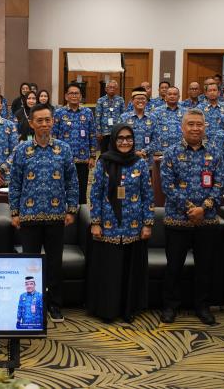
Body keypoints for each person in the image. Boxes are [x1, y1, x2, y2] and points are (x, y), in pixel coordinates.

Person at [9, 103, 79, 323]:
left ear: (53, 121)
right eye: (39, 120)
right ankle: (32, 306)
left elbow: (72, 181)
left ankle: (55, 305)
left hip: (56, 215)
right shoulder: (22, 150)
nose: (44, 124)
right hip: (29, 216)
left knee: (54, 263)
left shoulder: (63, 149)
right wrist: (14, 212)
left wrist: (71, 209)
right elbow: (15, 183)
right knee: (30, 264)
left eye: (47, 120)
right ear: (31, 123)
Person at [160, 109, 224, 325]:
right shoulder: (170, 153)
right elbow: (167, 186)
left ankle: (202, 306)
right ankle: (170, 306)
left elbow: (219, 184)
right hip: (177, 219)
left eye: (199, 124)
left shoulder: (215, 153)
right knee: (174, 266)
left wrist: (203, 209)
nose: (195, 128)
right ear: (182, 127)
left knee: (205, 267)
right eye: (191, 124)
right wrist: (190, 208)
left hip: (207, 220)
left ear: (205, 127)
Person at [87, 123, 153, 323]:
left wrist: (147, 224)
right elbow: (95, 194)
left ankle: (128, 309)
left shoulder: (140, 164)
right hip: (109, 226)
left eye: (129, 138)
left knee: (129, 271)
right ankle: (108, 310)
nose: (125, 142)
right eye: (120, 138)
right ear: (114, 140)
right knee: (110, 271)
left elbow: (147, 195)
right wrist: (95, 222)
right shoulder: (104, 162)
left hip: (134, 226)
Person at [53, 83, 96, 204]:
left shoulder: (87, 112)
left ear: (81, 96)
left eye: (76, 93)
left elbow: (92, 134)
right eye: (71, 93)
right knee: (63, 189)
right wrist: (54, 155)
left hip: (83, 159)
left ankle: (81, 213)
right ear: (66, 96)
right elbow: (54, 135)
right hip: (63, 159)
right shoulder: (59, 113)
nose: (74, 96)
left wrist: (92, 156)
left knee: (81, 190)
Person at [120, 87, 157, 158]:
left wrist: (144, 151)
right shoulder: (124, 118)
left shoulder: (153, 118)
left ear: (146, 101)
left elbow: (156, 139)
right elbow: (119, 138)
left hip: (147, 157)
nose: (140, 101)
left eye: (143, 99)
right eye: (138, 99)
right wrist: (134, 152)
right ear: (132, 100)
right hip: (128, 157)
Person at [151, 86, 186, 154]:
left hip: (181, 151)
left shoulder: (186, 112)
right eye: (169, 94)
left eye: (175, 94)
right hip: (161, 151)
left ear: (179, 97)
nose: (172, 96)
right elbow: (151, 131)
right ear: (165, 97)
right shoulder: (156, 112)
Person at [95, 79, 125, 153]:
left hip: (117, 131)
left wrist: (123, 130)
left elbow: (123, 115)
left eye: (114, 87)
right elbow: (97, 117)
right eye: (110, 87)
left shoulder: (120, 100)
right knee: (104, 152)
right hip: (104, 132)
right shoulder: (100, 100)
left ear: (116, 89)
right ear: (106, 89)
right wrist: (98, 131)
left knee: (117, 151)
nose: (112, 89)